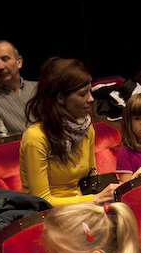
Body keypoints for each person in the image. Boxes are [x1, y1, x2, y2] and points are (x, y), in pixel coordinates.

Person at [19, 57, 118, 206]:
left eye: (89, 92)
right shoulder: (36, 137)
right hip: (50, 216)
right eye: (83, 94)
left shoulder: (86, 128)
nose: (91, 99)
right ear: (60, 98)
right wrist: (95, 199)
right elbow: (42, 201)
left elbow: (90, 181)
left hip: (85, 209)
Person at [0, 40, 38, 139]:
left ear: (19, 62)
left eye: (5, 59)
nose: (0, 66)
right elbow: (0, 142)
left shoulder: (39, 88)